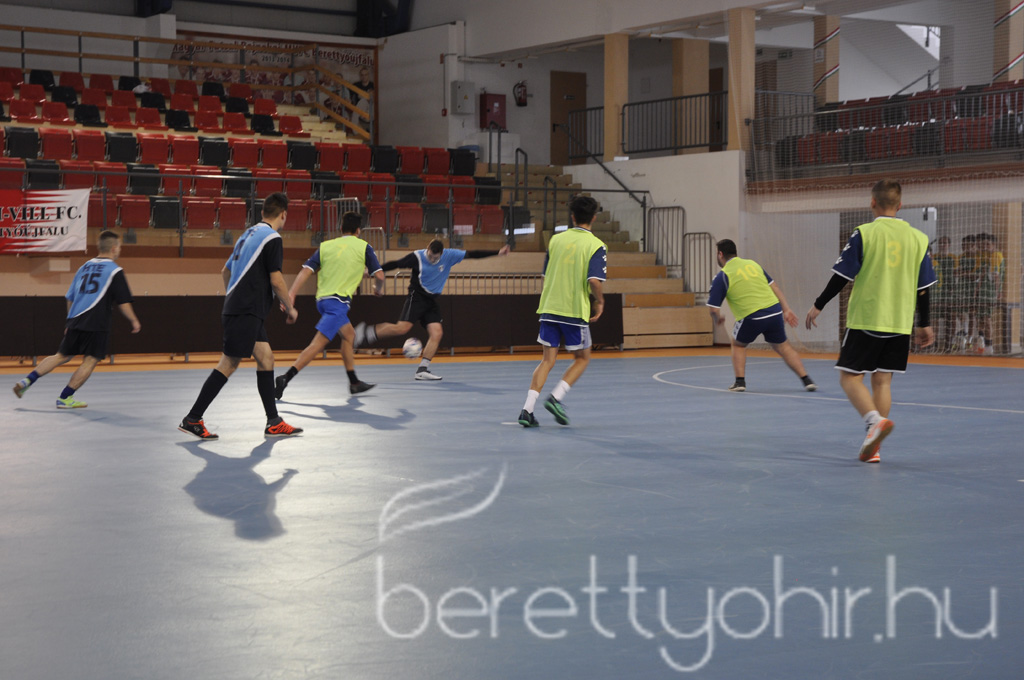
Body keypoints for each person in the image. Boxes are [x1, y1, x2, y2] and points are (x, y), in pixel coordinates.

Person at [805, 179, 936, 463]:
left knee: (849, 377)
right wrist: (924, 322)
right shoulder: (919, 238)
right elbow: (923, 287)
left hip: (867, 317)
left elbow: (842, 276)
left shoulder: (864, 233)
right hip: (900, 322)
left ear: (872, 202)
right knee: (883, 381)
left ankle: (873, 421)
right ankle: (874, 448)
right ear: (900, 205)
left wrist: (819, 304)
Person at [178, 192, 300, 441]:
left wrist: (234, 296)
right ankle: (193, 418)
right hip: (246, 310)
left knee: (266, 359)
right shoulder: (272, 238)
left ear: (263, 212)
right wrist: (289, 307)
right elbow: (276, 279)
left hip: (243, 309)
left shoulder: (247, 235)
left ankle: (274, 422)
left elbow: (225, 271)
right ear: (283, 215)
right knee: (229, 364)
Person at [13, 230, 141, 408]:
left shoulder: (84, 267)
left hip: (76, 319)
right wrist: (134, 320)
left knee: (60, 356)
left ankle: (26, 381)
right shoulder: (115, 271)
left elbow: (70, 297)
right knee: (90, 360)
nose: (119, 250)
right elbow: (124, 302)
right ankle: (65, 398)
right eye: (119, 247)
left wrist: (69, 321)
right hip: (97, 322)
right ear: (113, 248)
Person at [353, 239, 511, 380]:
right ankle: (365, 333)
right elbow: (396, 264)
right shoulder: (417, 257)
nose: (432, 259)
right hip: (417, 297)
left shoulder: (450, 255)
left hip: (431, 300)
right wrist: (373, 271)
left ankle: (422, 370)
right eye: (430, 256)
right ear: (427, 249)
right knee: (402, 328)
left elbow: (473, 254)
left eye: (435, 258)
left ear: (441, 254)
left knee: (437, 333)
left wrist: (498, 252)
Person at [274, 212, 384, 400]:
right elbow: (380, 276)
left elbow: (306, 271)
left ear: (341, 229)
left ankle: (354, 382)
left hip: (323, 301)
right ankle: (285, 377)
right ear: (358, 231)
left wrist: (291, 294)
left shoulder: (326, 246)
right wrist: (378, 289)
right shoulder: (364, 247)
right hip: (338, 303)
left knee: (349, 335)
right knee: (317, 345)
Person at [517, 195, 606, 427]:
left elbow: (545, 275)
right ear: (594, 218)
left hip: (549, 307)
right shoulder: (596, 245)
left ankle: (527, 410)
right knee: (582, 358)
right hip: (574, 310)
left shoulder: (555, 241)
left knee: (547, 360)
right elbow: (594, 280)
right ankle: (556, 398)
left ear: (572, 216)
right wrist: (600, 301)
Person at [706, 239, 816, 393]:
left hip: (752, 316)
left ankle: (739, 382)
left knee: (738, 344)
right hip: (774, 312)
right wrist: (786, 309)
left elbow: (713, 309)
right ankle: (807, 380)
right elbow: (774, 286)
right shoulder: (753, 264)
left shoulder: (723, 276)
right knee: (784, 346)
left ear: (720, 254)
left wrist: (718, 319)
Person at [929, 236, 958, 352]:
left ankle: (949, 342)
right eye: (940, 243)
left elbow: (956, 273)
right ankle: (934, 342)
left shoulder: (953, 258)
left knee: (951, 318)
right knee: (934, 318)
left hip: (950, 292)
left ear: (949, 245)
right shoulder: (934, 258)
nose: (942, 245)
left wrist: (953, 288)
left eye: (945, 243)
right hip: (937, 293)